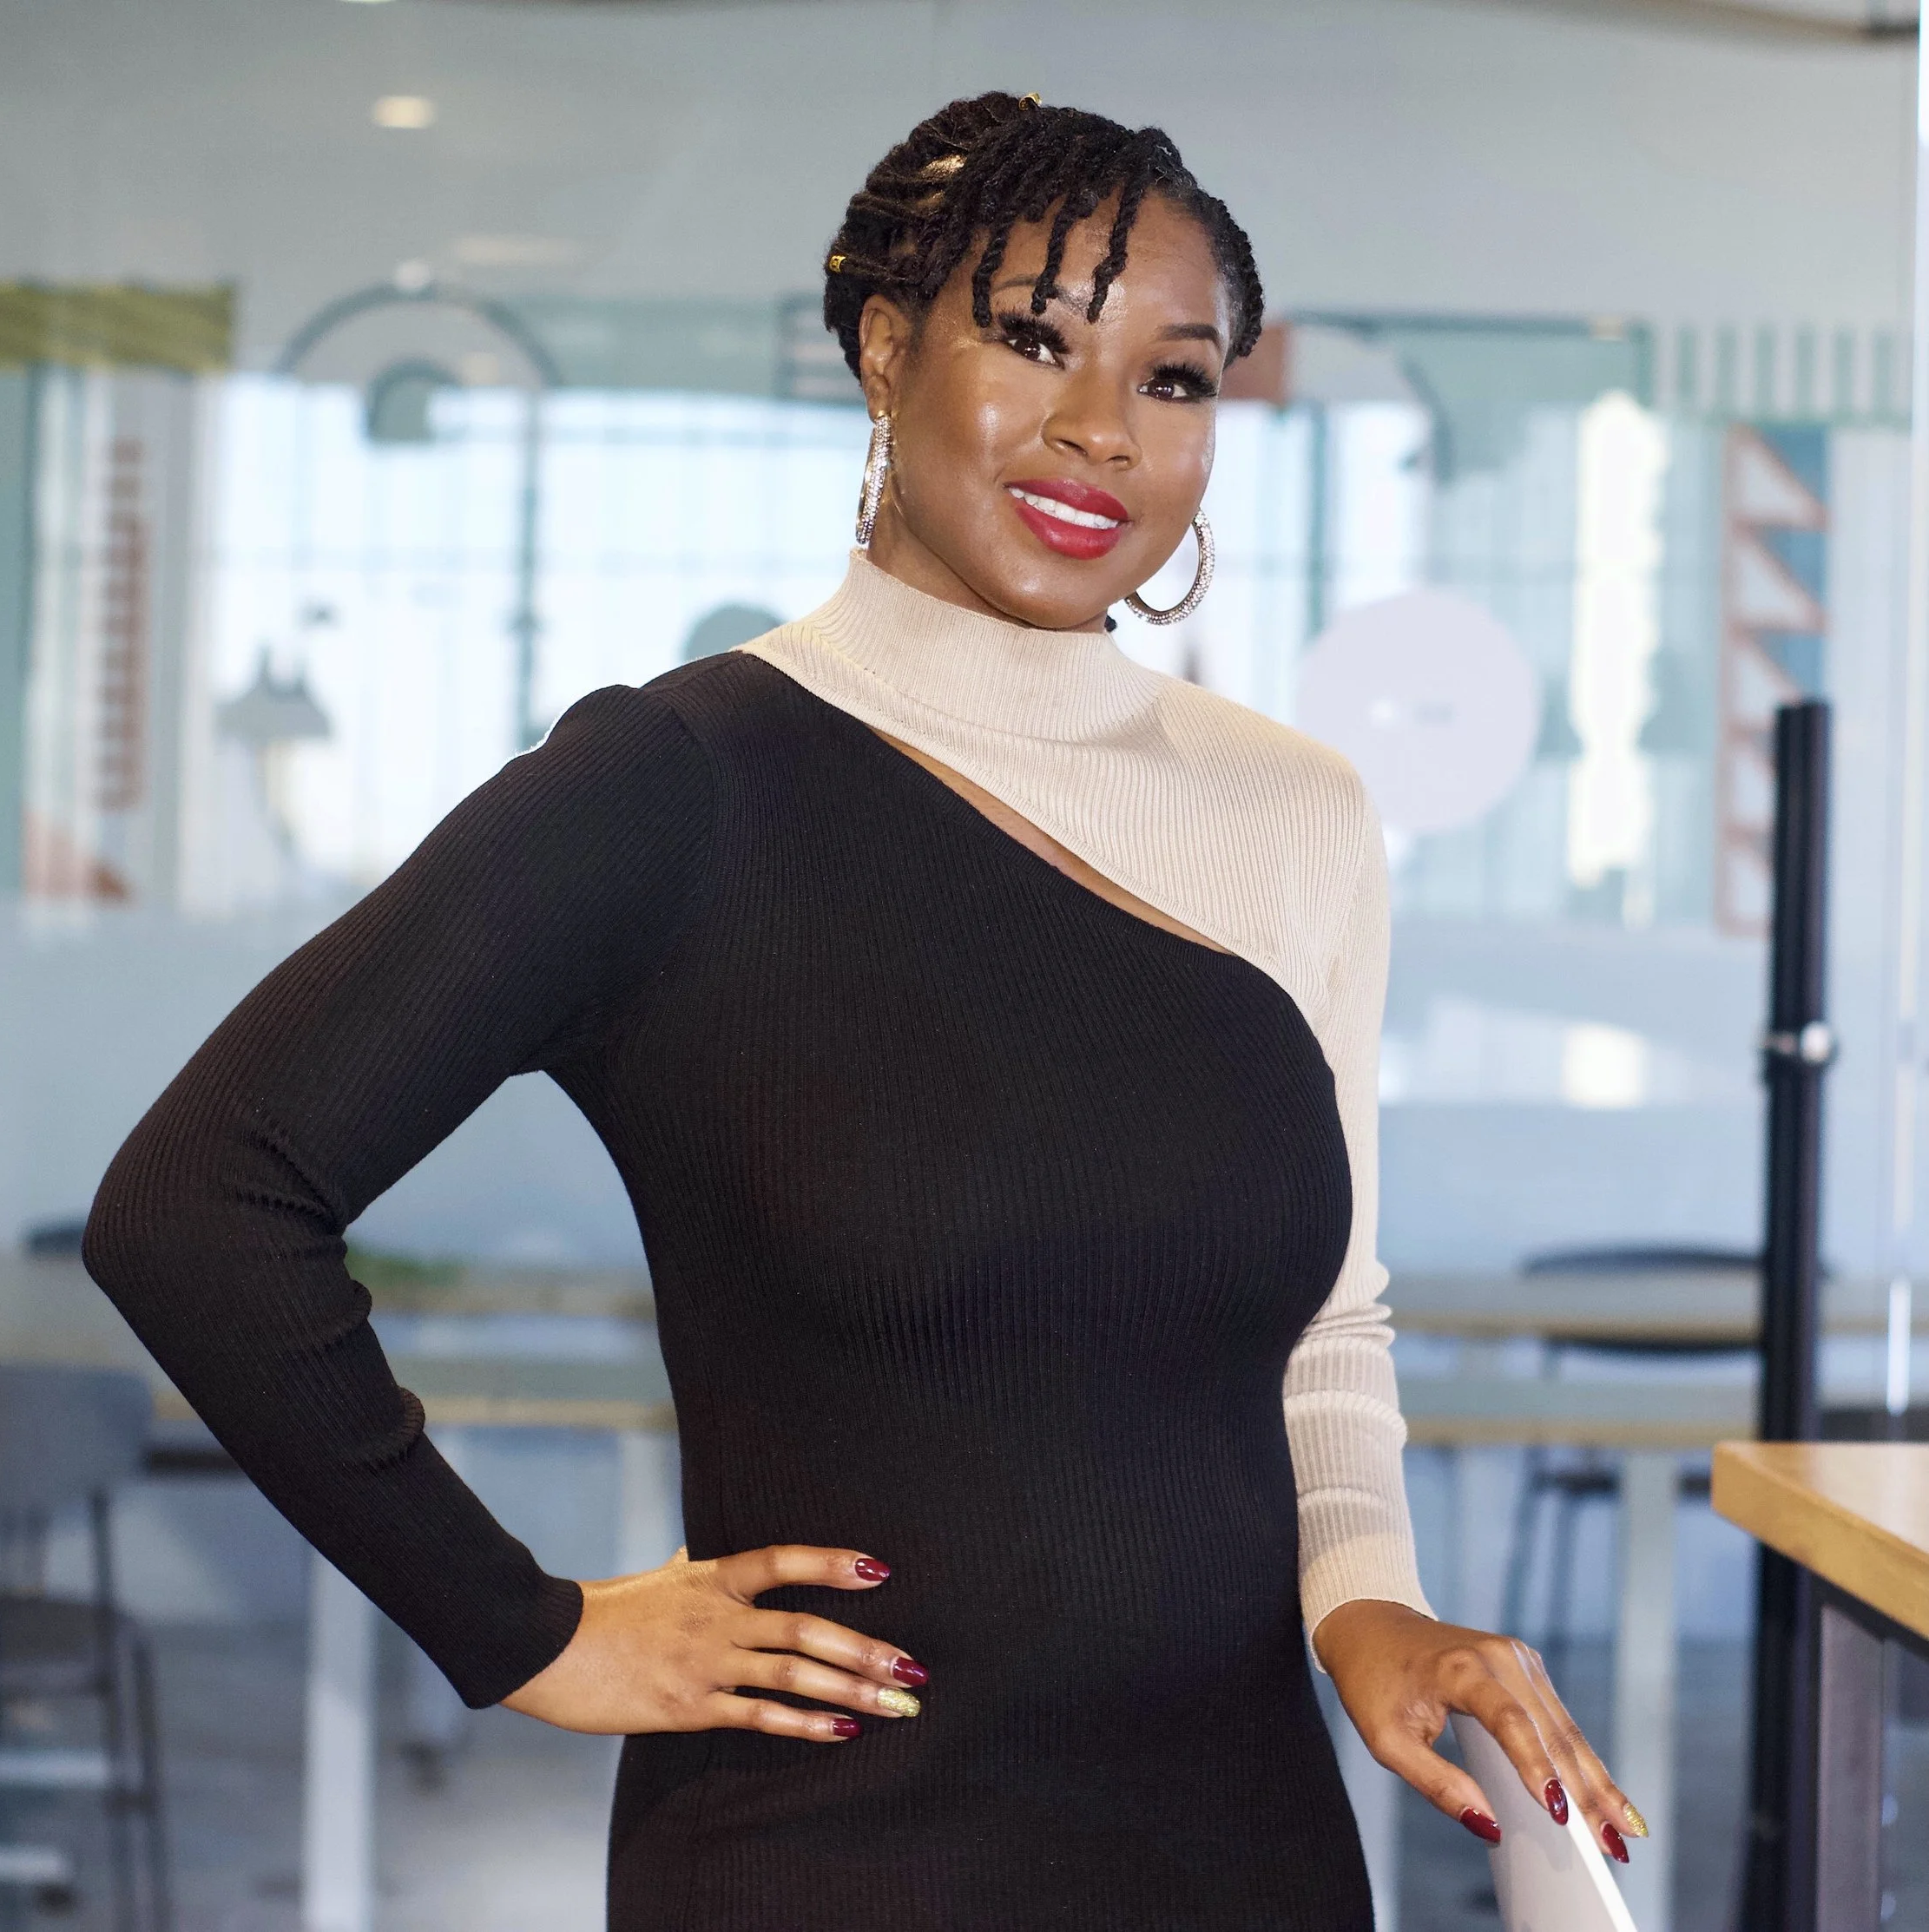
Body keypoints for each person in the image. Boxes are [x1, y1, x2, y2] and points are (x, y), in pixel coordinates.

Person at [87, 92, 1643, 1931]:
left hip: (1242, 1848)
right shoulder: (673, 786)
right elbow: (198, 1208)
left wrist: (1367, 1608)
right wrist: (522, 1630)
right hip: (832, 1859)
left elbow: (1324, 1326)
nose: (1098, 431)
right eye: (1027, 338)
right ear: (887, 348)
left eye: (1172, 378)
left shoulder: (1290, 811)